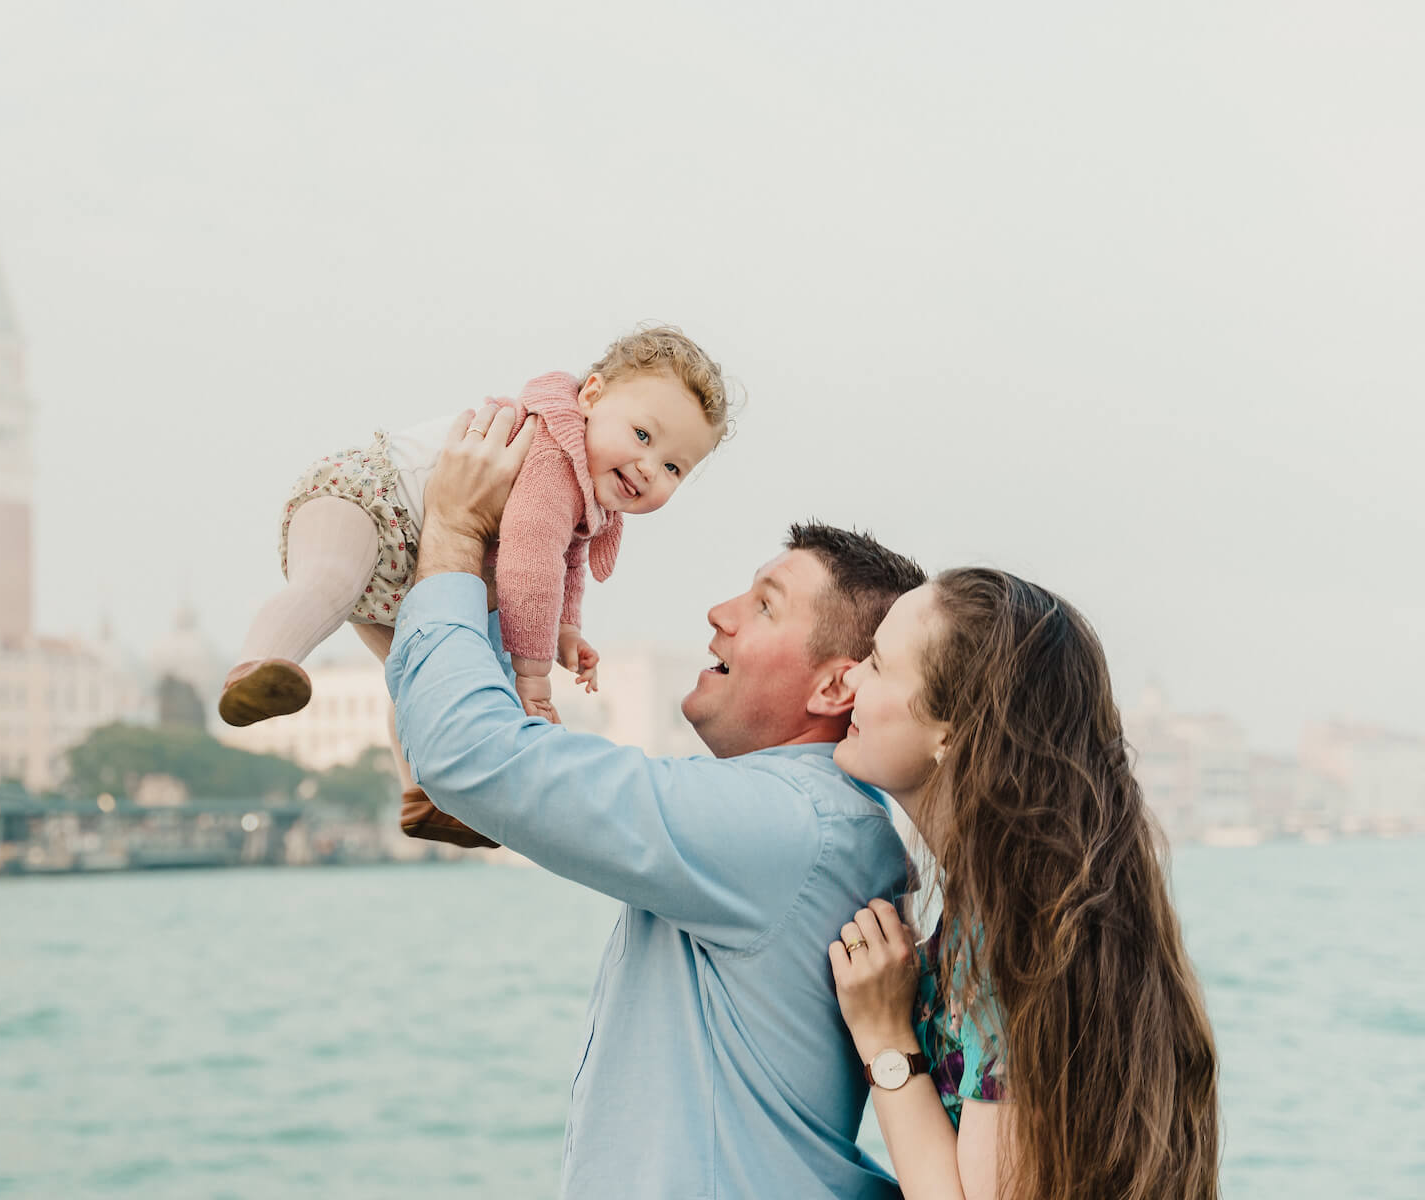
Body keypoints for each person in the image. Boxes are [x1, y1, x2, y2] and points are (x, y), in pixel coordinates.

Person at [385, 404, 927, 1199]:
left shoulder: (788, 825)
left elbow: (469, 752)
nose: (721, 613)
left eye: (766, 605)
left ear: (836, 683)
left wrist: (457, 530)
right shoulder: (820, 821)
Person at [218, 325, 729, 847]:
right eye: (643, 436)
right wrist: (532, 682)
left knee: (425, 672)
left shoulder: (589, 487)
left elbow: (566, 563)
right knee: (328, 583)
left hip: (410, 567)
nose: (649, 468)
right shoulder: (553, 454)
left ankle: (426, 796)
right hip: (365, 504)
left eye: (673, 467)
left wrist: (567, 631)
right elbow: (531, 565)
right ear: (591, 397)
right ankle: (259, 667)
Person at [827, 569, 1221, 1200]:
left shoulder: (1017, 939)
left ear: (952, 730)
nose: (847, 677)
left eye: (876, 664)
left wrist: (884, 1036)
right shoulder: (1041, 901)